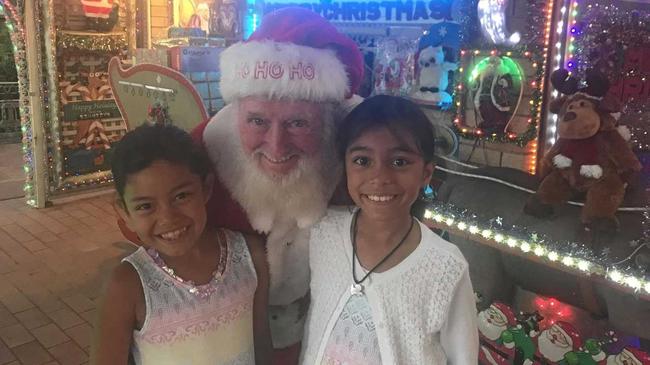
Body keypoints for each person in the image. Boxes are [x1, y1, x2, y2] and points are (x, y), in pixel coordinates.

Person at [190, 7, 364, 361]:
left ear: (329, 120)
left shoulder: (359, 153)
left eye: (298, 123)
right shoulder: (199, 156)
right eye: (256, 121)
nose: (276, 146)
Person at [300, 95, 479, 364]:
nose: (380, 177)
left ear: (426, 174)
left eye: (399, 162)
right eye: (362, 161)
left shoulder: (445, 267)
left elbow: (462, 358)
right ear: (345, 167)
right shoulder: (322, 231)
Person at [93, 124, 272, 365]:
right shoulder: (127, 285)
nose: (168, 219)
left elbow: (261, 344)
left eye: (181, 196)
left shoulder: (251, 256)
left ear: (206, 188)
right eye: (146, 206)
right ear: (123, 211)